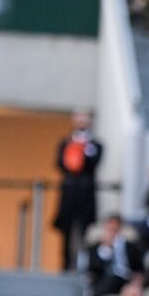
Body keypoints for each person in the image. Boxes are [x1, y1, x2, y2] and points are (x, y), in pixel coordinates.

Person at [53, 112, 103, 269]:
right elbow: (60, 164)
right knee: (67, 230)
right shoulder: (65, 143)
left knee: (86, 231)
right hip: (69, 192)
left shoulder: (95, 145)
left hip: (86, 193)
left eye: (85, 117)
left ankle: (84, 265)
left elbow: (94, 163)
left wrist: (84, 150)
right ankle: (66, 264)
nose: (82, 120)